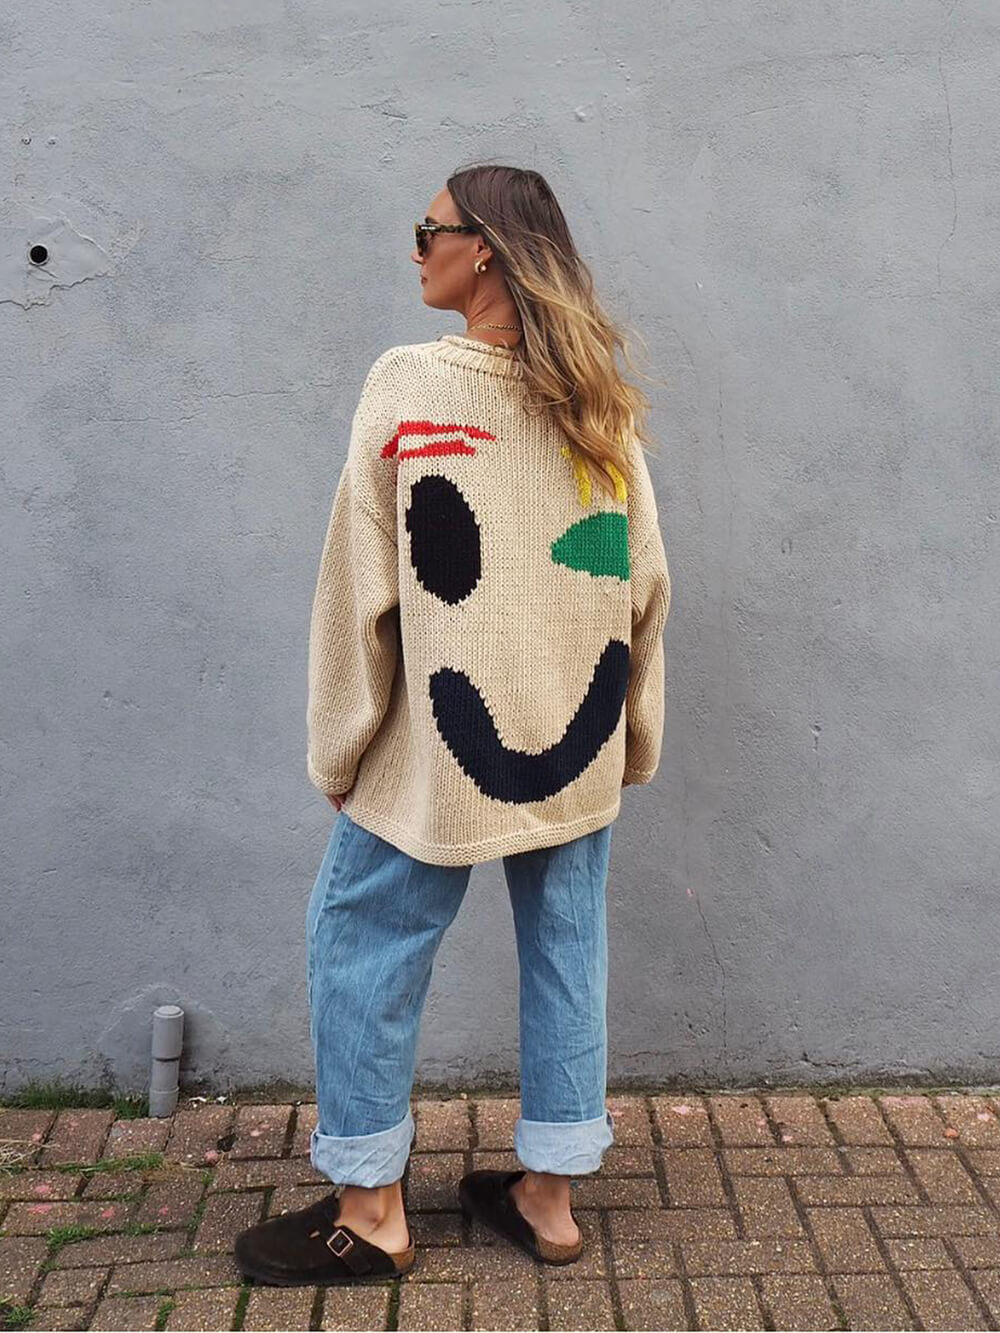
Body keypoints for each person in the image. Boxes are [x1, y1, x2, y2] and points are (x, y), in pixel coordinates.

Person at [234, 162, 671, 1286]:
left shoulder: (410, 381)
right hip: (574, 745)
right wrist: (633, 736)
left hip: (440, 747)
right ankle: (550, 1194)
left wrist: (341, 742)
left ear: (481, 247)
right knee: (568, 943)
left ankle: (370, 1206)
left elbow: (358, 585)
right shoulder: (598, 400)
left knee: (362, 936)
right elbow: (643, 583)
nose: (414, 249)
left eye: (426, 230)